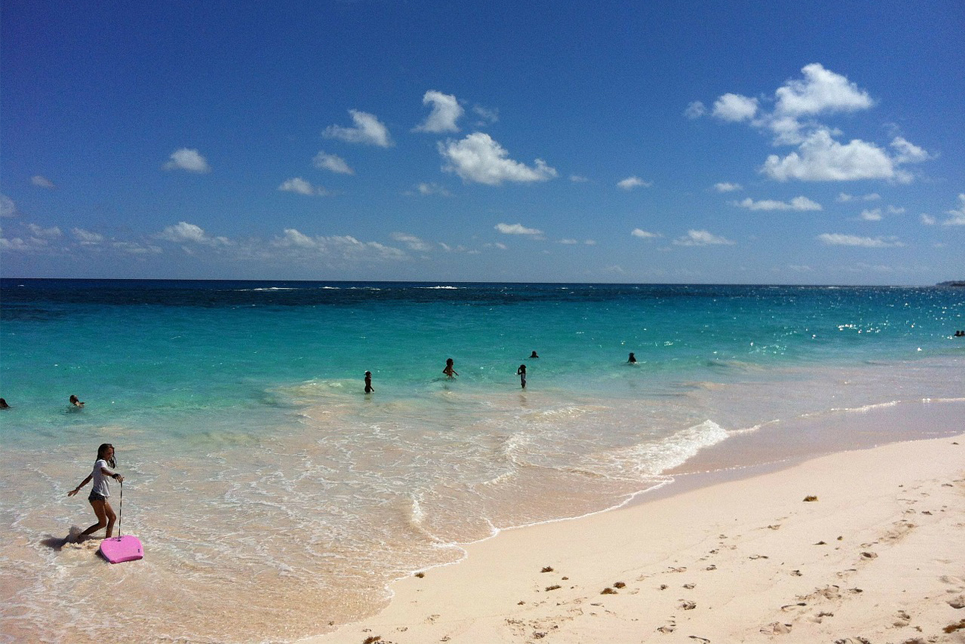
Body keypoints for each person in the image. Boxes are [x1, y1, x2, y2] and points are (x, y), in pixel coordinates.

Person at [67, 443, 124, 539]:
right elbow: (104, 471)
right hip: (97, 496)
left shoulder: (99, 464)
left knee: (112, 518)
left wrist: (78, 488)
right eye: (108, 453)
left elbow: (88, 478)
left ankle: (107, 540)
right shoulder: (100, 463)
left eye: (111, 454)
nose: (110, 456)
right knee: (102, 523)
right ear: (102, 453)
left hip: (100, 496)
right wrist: (115, 475)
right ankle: (80, 537)